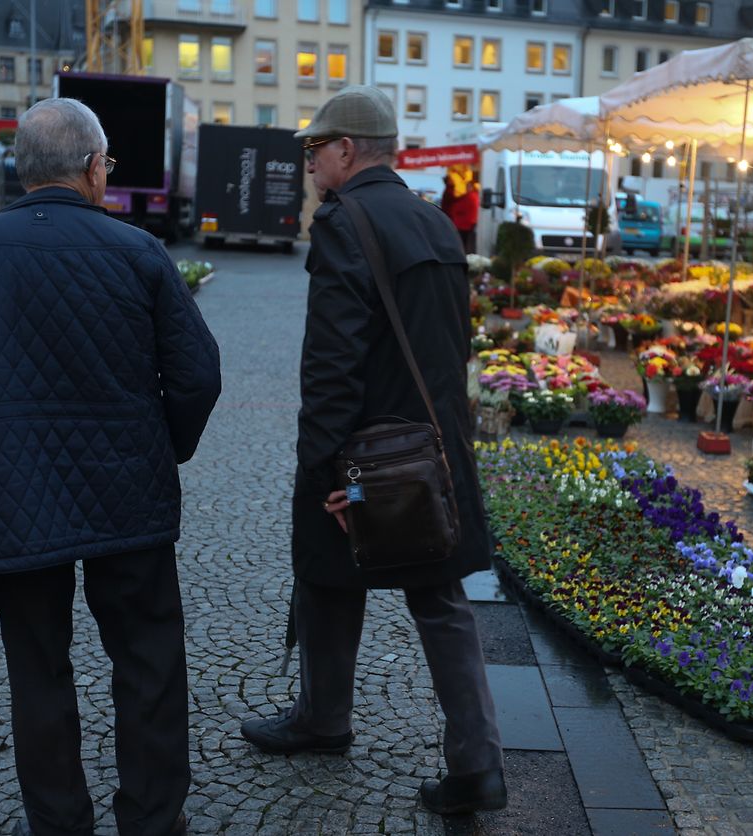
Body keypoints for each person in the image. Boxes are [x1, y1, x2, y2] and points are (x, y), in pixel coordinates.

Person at [0, 98, 222, 836]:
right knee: (149, 660)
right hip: (128, 489)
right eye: (107, 162)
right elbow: (198, 375)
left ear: (22, 169)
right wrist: (161, 447)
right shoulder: (138, 252)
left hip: (14, 492)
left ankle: (59, 821)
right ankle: (151, 818)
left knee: (36, 665)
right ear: (89, 168)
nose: (108, 173)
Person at [239, 85, 506, 816]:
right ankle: (478, 764)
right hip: (431, 447)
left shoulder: (343, 222)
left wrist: (324, 469)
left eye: (314, 149)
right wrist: (447, 445)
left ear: (347, 150)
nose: (310, 163)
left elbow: (331, 362)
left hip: (361, 452)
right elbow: (452, 348)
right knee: (441, 599)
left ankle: (323, 718)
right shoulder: (435, 223)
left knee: (326, 574)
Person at [440, 164, 479, 255]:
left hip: (459, 224)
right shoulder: (466, 194)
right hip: (461, 224)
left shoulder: (462, 194)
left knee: (460, 247)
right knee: (462, 247)